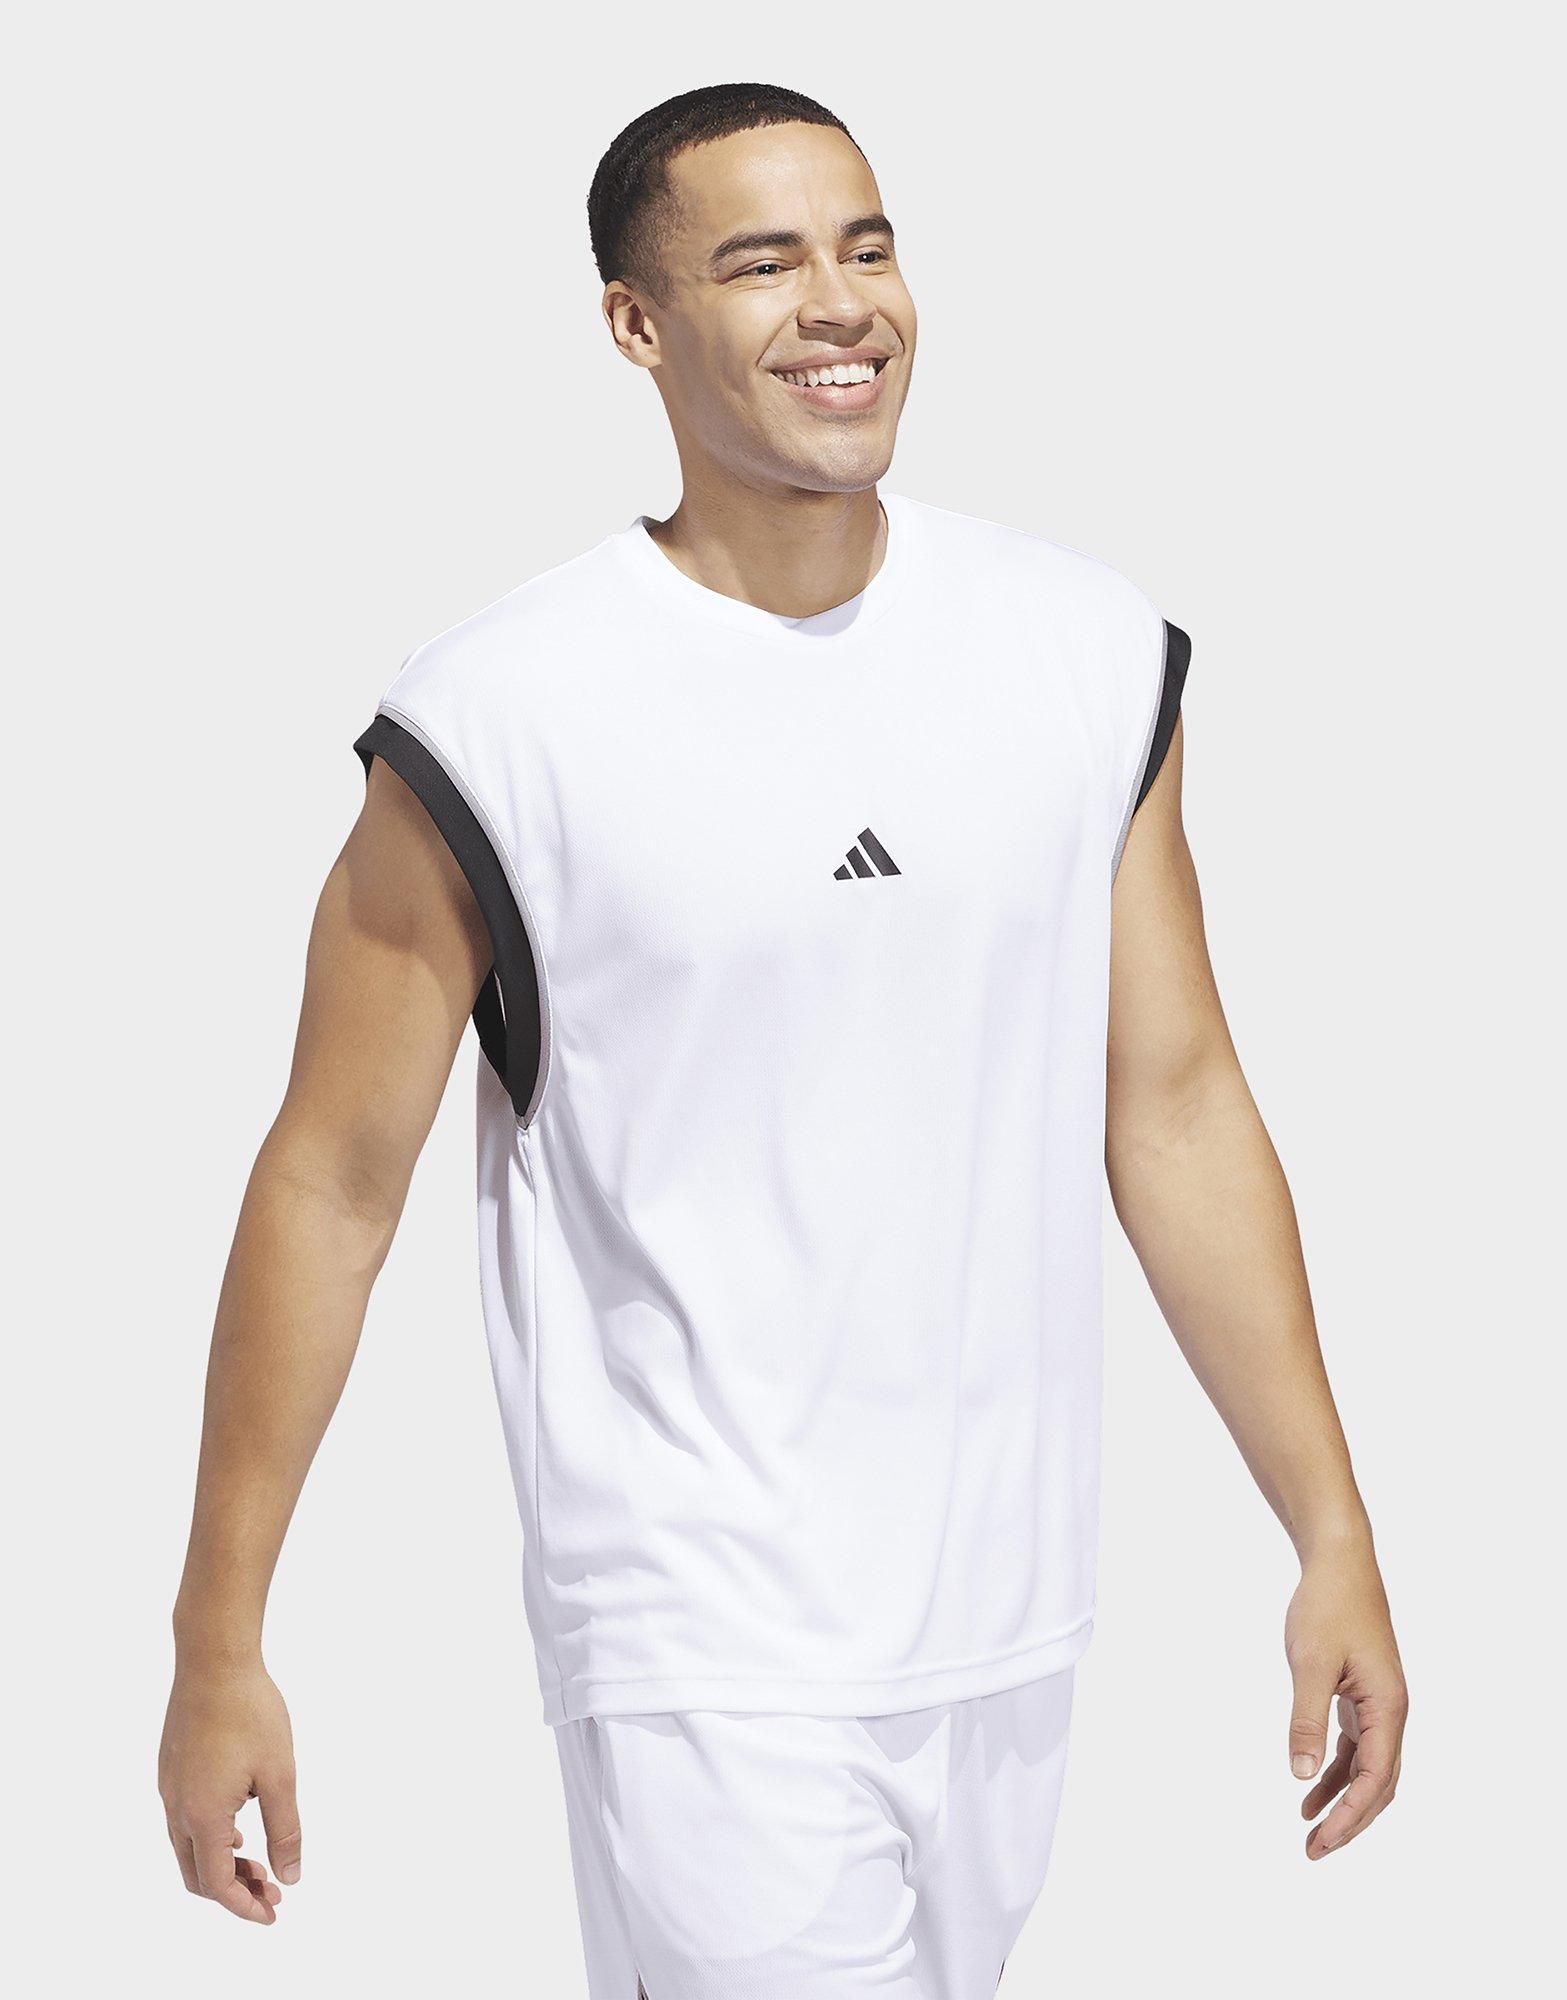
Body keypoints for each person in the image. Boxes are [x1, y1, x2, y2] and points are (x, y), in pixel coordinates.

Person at [159, 80, 1408, 1997]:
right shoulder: (502, 717)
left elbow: (1173, 1108)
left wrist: (1330, 1527)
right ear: (637, 325)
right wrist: (219, 1639)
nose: (841, 303)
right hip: (698, 1642)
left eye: (867, 244)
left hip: (1009, 1623)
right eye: (761, 262)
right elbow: (330, 1184)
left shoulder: (1082, 653)